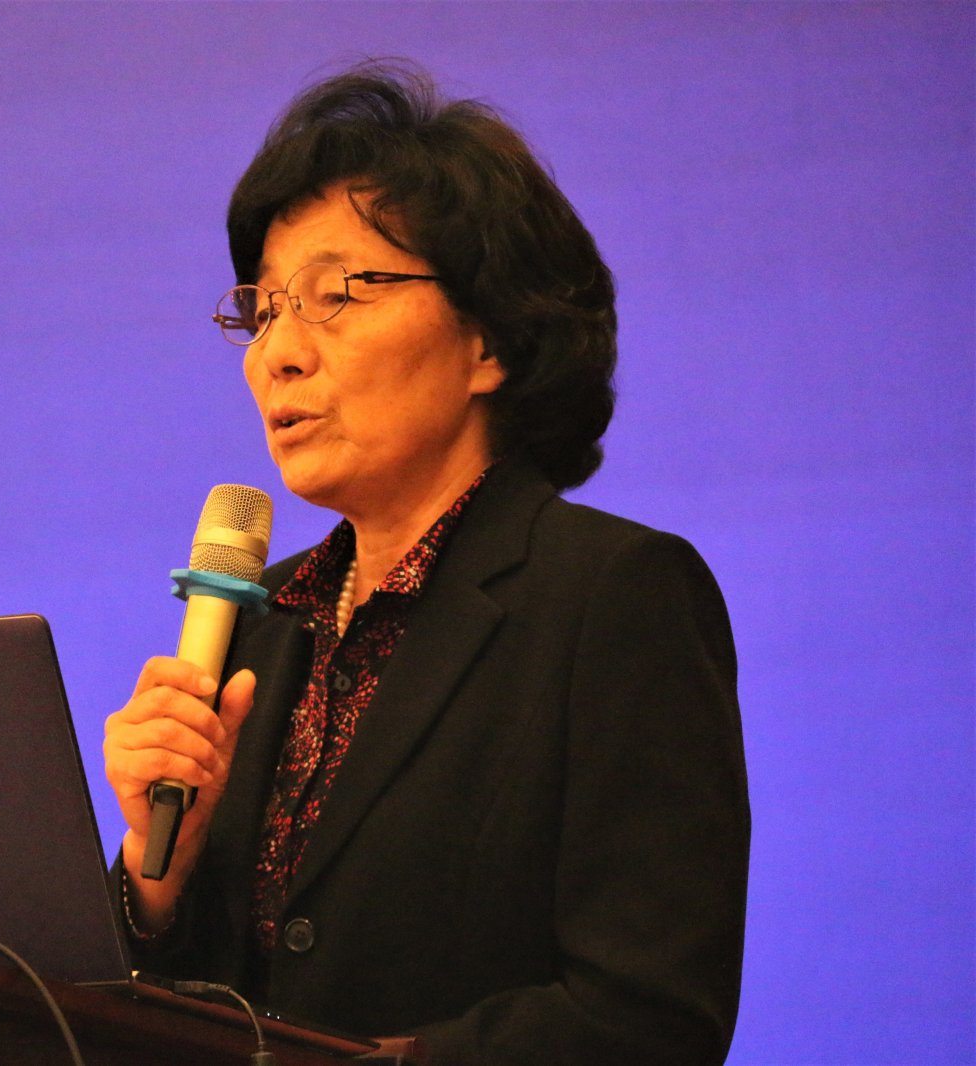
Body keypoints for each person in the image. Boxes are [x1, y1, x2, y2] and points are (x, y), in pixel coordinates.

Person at [102, 63, 749, 1064]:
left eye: (333, 295)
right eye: (263, 310)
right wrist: (159, 884)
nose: (276, 353)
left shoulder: (612, 597)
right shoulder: (258, 621)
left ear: (488, 339)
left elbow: (651, 1017)